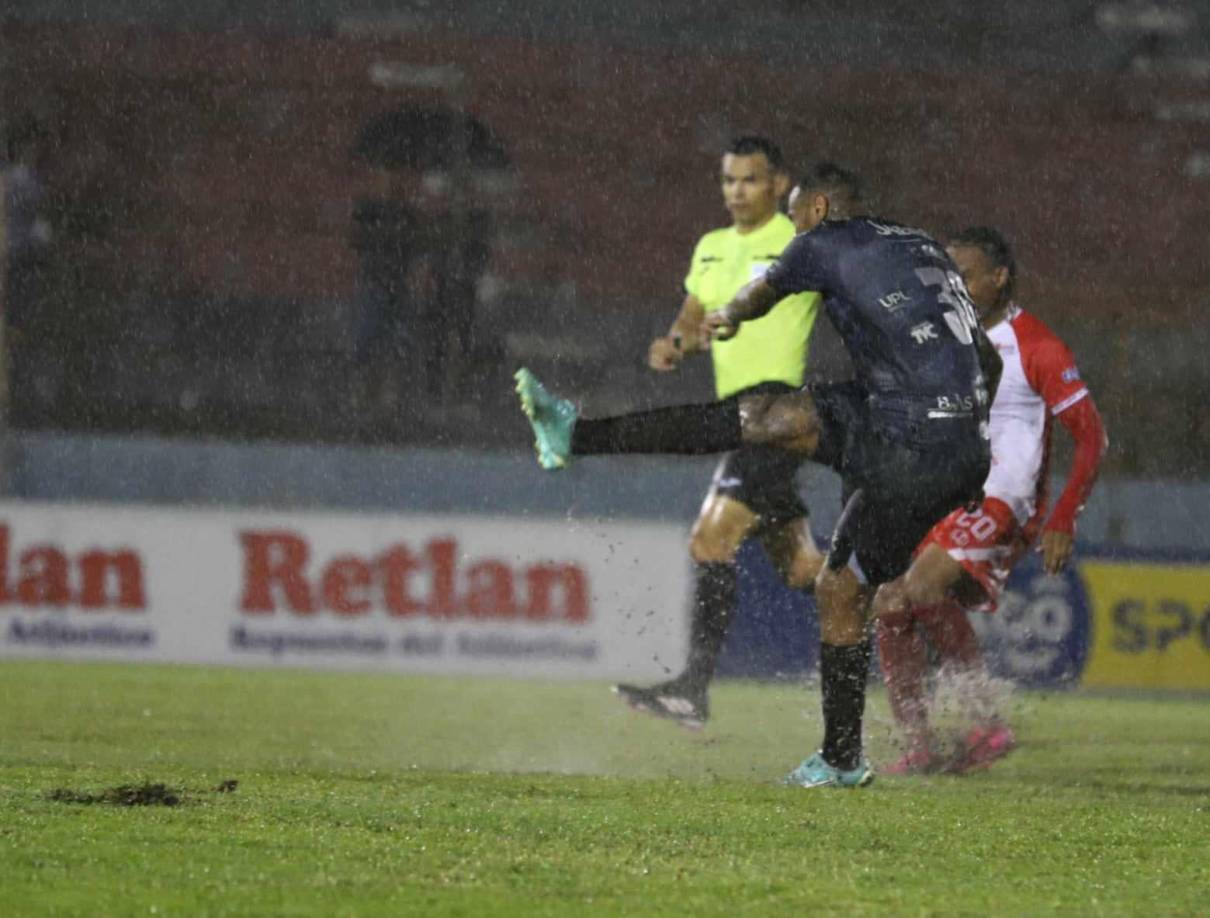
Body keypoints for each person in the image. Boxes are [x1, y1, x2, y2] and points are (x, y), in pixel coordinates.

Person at [516, 163, 1001, 789]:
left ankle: (576, 436)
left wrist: (730, 316)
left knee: (765, 420)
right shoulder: (919, 245)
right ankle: (843, 759)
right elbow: (984, 355)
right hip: (949, 439)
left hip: (906, 436)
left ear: (819, 208)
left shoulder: (823, 239)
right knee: (834, 579)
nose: (790, 231)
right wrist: (969, 435)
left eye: (795, 217)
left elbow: (763, 291)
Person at [870, 226, 1108, 775]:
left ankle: (987, 723)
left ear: (999, 277)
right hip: (950, 494)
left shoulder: (1039, 348)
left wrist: (1063, 517)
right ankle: (921, 744)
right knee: (890, 602)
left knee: (923, 586)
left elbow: (1093, 435)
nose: (954, 286)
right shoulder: (945, 338)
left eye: (967, 276)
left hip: (1005, 500)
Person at [613, 135, 824, 729]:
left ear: (779, 185)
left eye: (750, 180)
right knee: (805, 571)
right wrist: (673, 344)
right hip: (741, 419)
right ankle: (905, 617)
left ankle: (691, 690)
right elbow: (692, 316)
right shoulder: (710, 247)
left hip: (778, 415)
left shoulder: (798, 243)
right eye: (729, 180)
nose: (737, 191)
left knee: (710, 542)